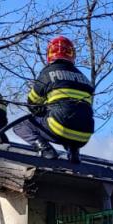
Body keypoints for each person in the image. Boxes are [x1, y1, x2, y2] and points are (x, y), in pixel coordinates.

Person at [12, 36, 95, 164]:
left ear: (50, 53)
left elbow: (32, 103)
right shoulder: (85, 79)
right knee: (74, 117)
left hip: (59, 128)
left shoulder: (48, 73)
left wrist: (44, 108)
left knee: (20, 125)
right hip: (84, 135)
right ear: (72, 54)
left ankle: (45, 149)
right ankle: (73, 152)